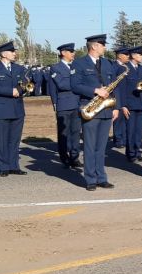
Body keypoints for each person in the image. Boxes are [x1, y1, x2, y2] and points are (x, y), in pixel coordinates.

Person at [71, 34, 120, 190]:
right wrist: (95, 90)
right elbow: (74, 85)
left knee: (101, 146)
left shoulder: (107, 63)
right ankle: (90, 179)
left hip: (106, 109)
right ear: (94, 46)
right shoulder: (79, 64)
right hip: (91, 108)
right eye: (102, 44)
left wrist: (116, 107)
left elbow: (114, 86)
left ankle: (101, 177)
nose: (105, 47)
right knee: (90, 146)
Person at [0, 41, 28, 177]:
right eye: (12, 51)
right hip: (2, 108)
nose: (14, 54)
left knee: (15, 139)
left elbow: (25, 84)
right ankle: (4, 166)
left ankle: (14, 165)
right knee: (3, 139)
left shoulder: (19, 68)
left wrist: (20, 90)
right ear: (3, 54)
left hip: (17, 108)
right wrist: (11, 91)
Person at [48, 43, 82, 169]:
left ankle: (74, 157)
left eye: (73, 51)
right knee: (64, 133)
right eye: (70, 51)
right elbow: (61, 85)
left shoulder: (75, 66)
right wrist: (77, 84)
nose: (73, 53)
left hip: (76, 103)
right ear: (63, 53)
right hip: (64, 104)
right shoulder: (55, 68)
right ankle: (64, 157)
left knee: (76, 132)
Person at [122, 46, 142, 163]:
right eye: (140, 54)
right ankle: (130, 153)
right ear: (133, 55)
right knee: (131, 130)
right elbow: (121, 89)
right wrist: (123, 105)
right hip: (130, 104)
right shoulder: (125, 69)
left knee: (139, 130)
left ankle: (137, 151)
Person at [111, 47, 130, 149]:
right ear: (119, 55)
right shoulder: (113, 66)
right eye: (126, 55)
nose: (128, 56)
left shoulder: (126, 66)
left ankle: (124, 138)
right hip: (117, 96)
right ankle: (118, 140)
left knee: (125, 119)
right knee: (118, 120)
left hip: (126, 96)